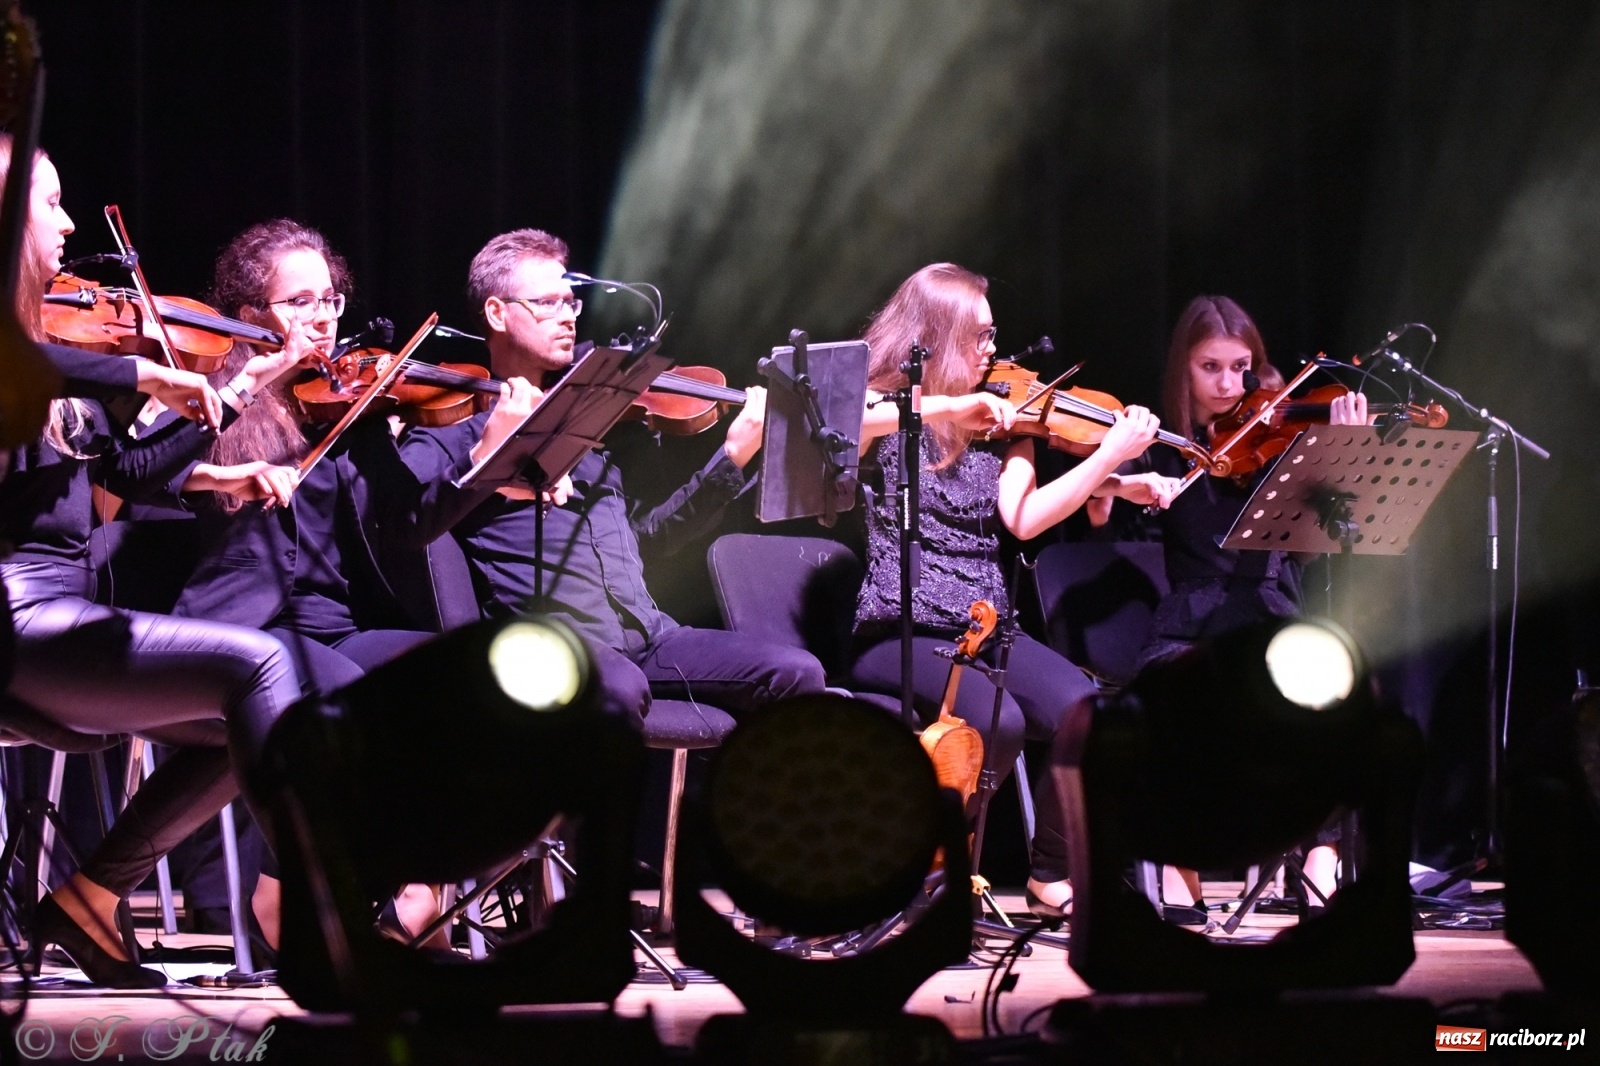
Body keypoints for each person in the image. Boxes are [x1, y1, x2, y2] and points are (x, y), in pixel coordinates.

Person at [170, 219, 539, 947]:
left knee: (472, 680)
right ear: (251, 319)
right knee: (376, 716)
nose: (323, 316)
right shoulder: (219, 397)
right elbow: (145, 476)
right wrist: (245, 421)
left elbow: (408, 521)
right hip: (251, 630)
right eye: (300, 301)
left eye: (331, 298)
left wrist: (491, 460)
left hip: (334, 625)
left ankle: (401, 890)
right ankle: (352, 899)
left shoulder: (351, 401)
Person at [0, 135, 311, 988]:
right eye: (49, 201)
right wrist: (140, 372)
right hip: (15, 616)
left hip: (65, 614)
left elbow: (121, 472)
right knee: (263, 665)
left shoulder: (48, 341)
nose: (66, 223)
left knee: (240, 723)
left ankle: (94, 895)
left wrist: (220, 450)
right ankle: (320, 919)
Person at [847, 262, 1178, 917]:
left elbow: (1022, 515)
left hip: (986, 627)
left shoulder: (1007, 420)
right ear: (935, 338)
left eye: (994, 335)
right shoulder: (887, 404)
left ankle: (1049, 873)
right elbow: (845, 425)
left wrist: (1107, 475)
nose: (993, 352)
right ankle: (926, 877)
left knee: (1087, 710)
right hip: (900, 628)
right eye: (979, 337)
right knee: (999, 723)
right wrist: (1107, 465)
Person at [399, 227, 826, 724]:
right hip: (547, 644)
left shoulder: (589, 423)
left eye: (570, 303)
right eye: (547, 302)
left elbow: (650, 540)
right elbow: (409, 522)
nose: (566, 316)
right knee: (621, 689)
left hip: (649, 637)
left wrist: (730, 459)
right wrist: (488, 458)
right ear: (497, 313)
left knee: (797, 673)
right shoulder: (452, 434)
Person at [1133, 294, 1367, 916]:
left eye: (1240, 367)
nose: (1228, 383)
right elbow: (1103, 506)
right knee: (1181, 706)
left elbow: (1314, 558)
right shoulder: (1161, 450)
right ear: (1182, 367)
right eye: (1211, 367)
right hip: (1192, 627)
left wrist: (1340, 463)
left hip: (1273, 618)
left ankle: (1320, 860)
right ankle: (1179, 865)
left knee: (1343, 696)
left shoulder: (1281, 443)